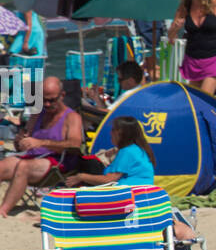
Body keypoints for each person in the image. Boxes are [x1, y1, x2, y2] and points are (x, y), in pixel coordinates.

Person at [0, 77, 83, 217]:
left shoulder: (72, 117)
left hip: (59, 162)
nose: (47, 104)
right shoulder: (37, 113)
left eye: (52, 100)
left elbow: (75, 145)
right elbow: (23, 142)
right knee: (2, 166)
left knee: (23, 166)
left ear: (62, 95)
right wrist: (20, 140)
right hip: (33, 157)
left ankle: (3, 210)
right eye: (44, 100)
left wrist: (42, 142)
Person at [64, 116, 156, 188]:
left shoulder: (128, 151)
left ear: (120, 133)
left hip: (130, 195)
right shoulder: (136, 149)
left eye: (113, 130)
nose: (110, 133)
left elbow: (109, 180)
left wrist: (81, 177)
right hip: (138, 192)